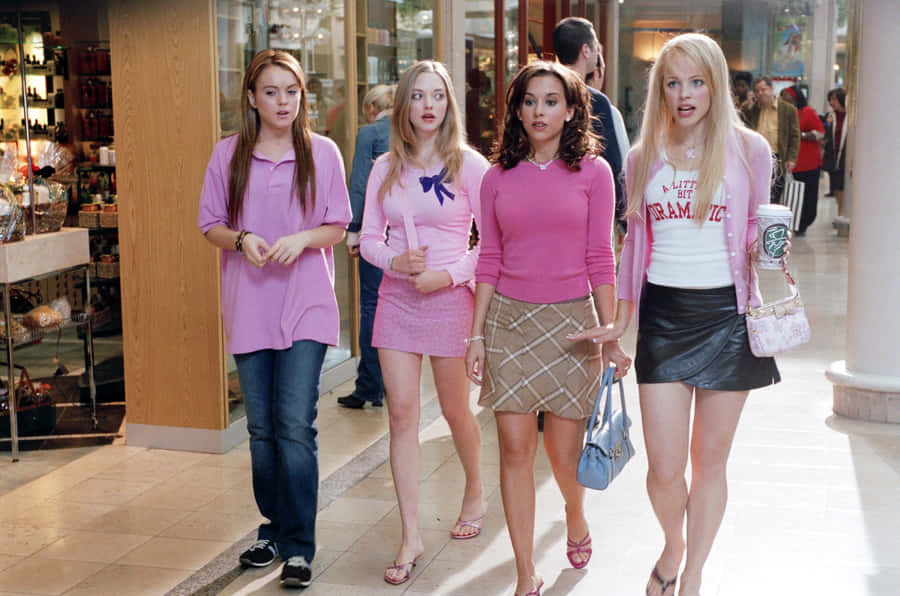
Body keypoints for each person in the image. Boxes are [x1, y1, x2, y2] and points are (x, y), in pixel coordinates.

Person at [569, 33, 781, 596]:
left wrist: (766, 248)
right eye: (672, 82)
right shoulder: (642, 158)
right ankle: (673, 542)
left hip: (728, 319)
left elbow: (759, 231)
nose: (684, 94)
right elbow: (634, 248)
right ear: (660, 89)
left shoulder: (748, 150)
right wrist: (619, 323)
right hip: (664, 318)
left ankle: (692, 576)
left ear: (714, 85)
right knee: (665, 469)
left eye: (696, 81)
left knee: (709, 463)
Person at [465, 61, 622, 596]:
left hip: (571, 330)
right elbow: (489, 257)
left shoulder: (595, 173)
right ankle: (525, 570)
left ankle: (574, 517)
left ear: (572, 109)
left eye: (551, 101)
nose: (539, 111)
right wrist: (476, 334)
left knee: (563, 454)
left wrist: (612, 333)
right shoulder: (495, 178)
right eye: (529, 101)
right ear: (516, 109)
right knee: (513, 448)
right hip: (509, 322)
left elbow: (602, 258)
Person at [197, 49, 351, 588]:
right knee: (261, 430)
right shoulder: (228, 155)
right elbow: (210, 224)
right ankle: (274, 529)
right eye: (271, 92)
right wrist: (242, 240)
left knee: (294, 426)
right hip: (249, 306)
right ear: (252, 98)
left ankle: (301, 546)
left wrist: (301, 240)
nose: (283, 101)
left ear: (302, 95)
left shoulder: (322, 153)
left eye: (292, 91)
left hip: (306, 303)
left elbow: (337, 224)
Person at [359, 60, 489, 586]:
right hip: (397, 300)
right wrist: (394, 262)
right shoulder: (384, 166)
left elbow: (492, 245)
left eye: (437, 96)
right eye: (418, 96)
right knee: (402, 416)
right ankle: (410, 532)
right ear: (404, 106)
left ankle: (475, 490)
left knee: (457, 411)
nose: (428, 106)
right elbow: (367, 236)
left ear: (449, 104)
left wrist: (449, 273)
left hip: (450, 299)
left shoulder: (470, 166)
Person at [338, 84, 395, 409]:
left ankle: (369, 386)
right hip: (405, 235)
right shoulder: (408, 130)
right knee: (396, 307)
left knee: (372, 306)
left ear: (373, 107)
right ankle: (392, 382)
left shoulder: (369, 133)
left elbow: (359, 184)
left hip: (376, 232)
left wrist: (354, 229)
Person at [553, 17, 625, 229]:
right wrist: (624, 219)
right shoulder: (595, 101)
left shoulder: (541, 94)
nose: (596, 54)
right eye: (595, 48)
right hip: (588, 209)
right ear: (586, 50)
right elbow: (614, 164)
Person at [741, 76, 800, 204]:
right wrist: (748, 107)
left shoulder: (788, 109)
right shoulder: (753, 109)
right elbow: (742, 125)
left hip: (778, 157)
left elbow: (795, 136)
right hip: (756, 157)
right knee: (756, 192)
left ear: (772, 89)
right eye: (757, 91)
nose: (760, 93)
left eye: (764, 89)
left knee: (774, 194)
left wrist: (792, 158)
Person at [779, 85, 824, 235]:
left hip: (808, 162)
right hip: (789, 162)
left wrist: (800, 135)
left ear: (796, 97)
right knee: (790, 195)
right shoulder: (782, 113)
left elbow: (820, 133)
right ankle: (790, 222)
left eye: (788, 95)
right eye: (783, 95)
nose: (785, 98)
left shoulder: (807, 112)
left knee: (808, 196)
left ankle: (803, 223)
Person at [823, 87, 848, 218]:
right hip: (834, 156)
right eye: (830, 99)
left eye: (834, 99)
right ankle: (840, 212)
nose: (831, 102)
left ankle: (843, 212)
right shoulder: (832, 117)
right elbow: (826, 136)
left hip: (846, 156)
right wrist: (827, 125)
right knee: (837, 186)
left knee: (843, 186)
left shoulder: (850, 116)